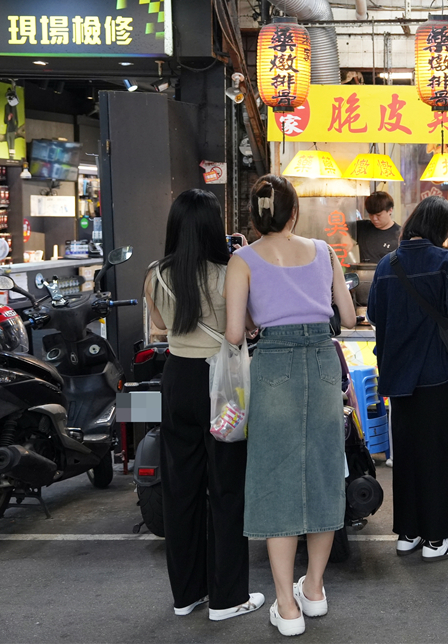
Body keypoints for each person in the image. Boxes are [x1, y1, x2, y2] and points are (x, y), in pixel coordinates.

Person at [225, 175, 356, 636]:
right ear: (294, 212)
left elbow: (236, 334)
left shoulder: (241, 260)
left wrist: (261, 317)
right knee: (322, 473)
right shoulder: (324, 252)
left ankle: (287, 606)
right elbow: (349, 317)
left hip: (274, 367)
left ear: (255, 216)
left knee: (277, 479)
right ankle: (314, 590)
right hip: (322, 363)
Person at [144, 190, 264, 622]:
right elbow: (250, 324)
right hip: (222, 386)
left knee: (180, 489)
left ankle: (186, 594)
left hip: (177, 381)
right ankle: (227, 598)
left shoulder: (156, 273)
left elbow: (160, 325)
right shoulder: (230, 269)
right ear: (214, 227)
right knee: (227, 488)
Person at [368, 196, 448, 563]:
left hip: (397, 374)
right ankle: (437, 539)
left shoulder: (387, 264)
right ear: (440, 228)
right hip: (436, 372)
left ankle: (408, 533)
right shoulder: (445, 261)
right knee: (439, 454)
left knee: (409, 454)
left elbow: (374, 317)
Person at [349, 191, 400, 263]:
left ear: (390, 210)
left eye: (378, 215)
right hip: (365, 273)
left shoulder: (400, 234)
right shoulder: (362, 228)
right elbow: (339, 227)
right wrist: (344, 236)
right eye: (371, 215)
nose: (374, 219)